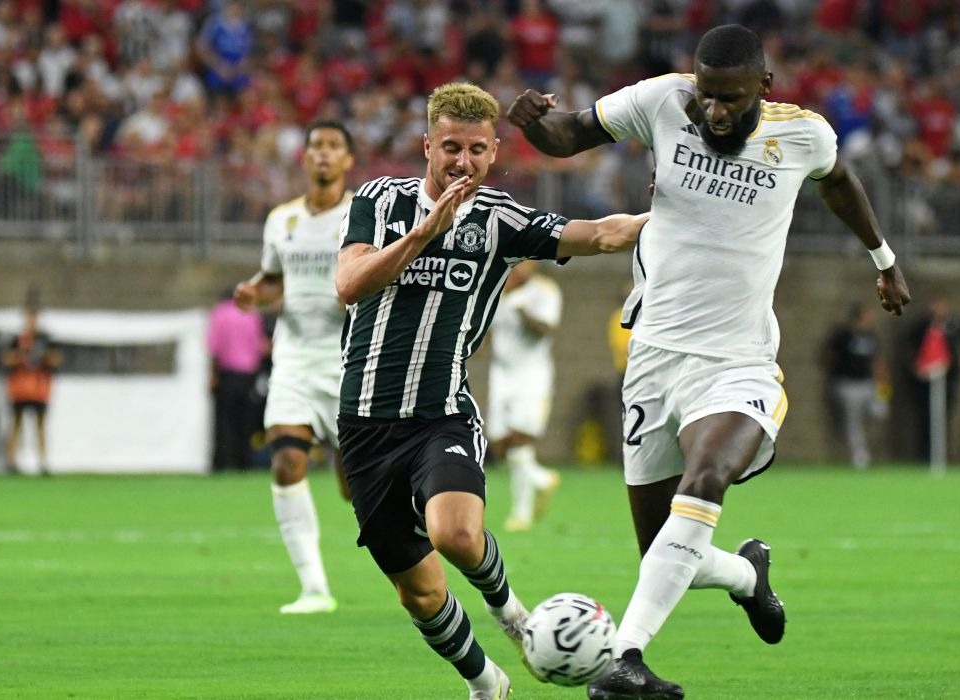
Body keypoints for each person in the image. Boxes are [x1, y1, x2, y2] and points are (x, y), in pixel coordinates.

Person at [507, 24, 912, 699]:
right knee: (668, 556)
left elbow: (838, 183)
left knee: (708, 474)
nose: (715, 111)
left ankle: (625, 660)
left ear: (763, 87)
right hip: (653, 357)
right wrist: (531, 125)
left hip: (738, 361)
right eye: (707, 98)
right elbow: (570, 134)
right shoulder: (664, 101)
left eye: (730, 98)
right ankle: (750, 576)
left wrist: (885, 260)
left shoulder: (803, 134)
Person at [334, 82, 649, 700]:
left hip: (441, 415)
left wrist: (672, 217)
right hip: (364, 424)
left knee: (456, 534)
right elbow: (349, 283)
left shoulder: (500, 220)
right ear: (427, 146)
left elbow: (601, 234)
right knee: (419, 592)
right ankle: (487, 684)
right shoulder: (378, 200)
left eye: (477, 150)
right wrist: (425, 233)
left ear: (493, 152)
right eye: (450, 147)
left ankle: (514, 617)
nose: (463, 162)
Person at [232, 119, 356, 614]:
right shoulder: (281, 219)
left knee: (356, 491)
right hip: (295, 359)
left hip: (350, 360)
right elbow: (273, 279)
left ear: (348, 160)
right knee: (287, 461)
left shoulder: (360, 215)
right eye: (316, 147)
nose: (323, 154)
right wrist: (253, 292)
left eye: (334, 147)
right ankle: (313, 589)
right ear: (304, 158)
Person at [487, 259, 564, 533]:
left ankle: (521, 514)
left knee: (521, 440)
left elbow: (545, 330)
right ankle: (541, 478)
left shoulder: (544, 291)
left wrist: (523, 312)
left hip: (531, 375)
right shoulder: (498, 286)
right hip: (501, 374)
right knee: (499, 444)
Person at [904, 292, 960, 463]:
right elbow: (908, 348)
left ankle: (944, 455)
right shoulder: (921, 326)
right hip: (926, 379)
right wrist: (915, 367)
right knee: (925, 417)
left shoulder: (954, 324)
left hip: (949, 378)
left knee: (945, 416)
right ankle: (924, 456)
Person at [823, 302, 889, 468]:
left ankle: (864, 449)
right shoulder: (844, 335)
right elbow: (827, 355)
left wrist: (884, 386)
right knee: (853, 422)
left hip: (867, 383)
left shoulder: (872, 336)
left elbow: (878, 363)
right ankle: (860, 455)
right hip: (847, 383)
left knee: (878, 411)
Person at [206, 289, 266, 472]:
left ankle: (222, 462)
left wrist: (212, 375)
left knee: (224, 421)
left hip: (227, 374)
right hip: (249, 374)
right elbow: (259, 347)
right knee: (245, 421)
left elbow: (214, 348)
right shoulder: (252, 314)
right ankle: (244, 462)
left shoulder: (220, 313)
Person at [3, 298, 62, 475]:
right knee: (16, 424)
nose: (31, 320)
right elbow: (7, 359)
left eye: (34, 317)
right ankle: (11, 461)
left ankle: (43, 462)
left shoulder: (45, 339)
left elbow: (56, 359)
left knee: (40, 425)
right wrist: (20, 356)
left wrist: (44, 357)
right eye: (28, 317)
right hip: (20, 389)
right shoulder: (17, 340)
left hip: (39, 389)